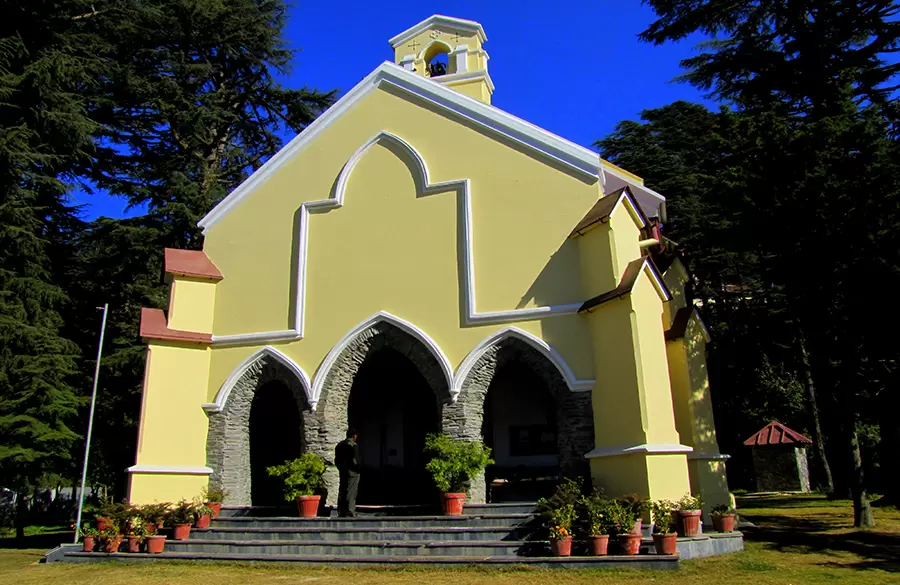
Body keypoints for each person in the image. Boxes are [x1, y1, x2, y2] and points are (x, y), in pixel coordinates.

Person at [335, 427, 360, 517]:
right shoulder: (352, 445)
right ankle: (350, 510)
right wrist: (358, 468)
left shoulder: (340, 445)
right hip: (352, 471)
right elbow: (354, 460)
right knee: (351, 491)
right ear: (354, 436)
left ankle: (341, 510)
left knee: (342, 489)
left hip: (343, 470)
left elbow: (336, 460)